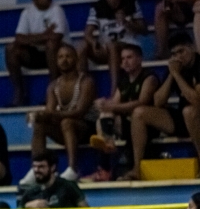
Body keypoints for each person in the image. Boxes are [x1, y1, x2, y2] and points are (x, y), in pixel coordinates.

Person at [123, 34, 200, 180]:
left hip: (196, 115)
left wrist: (177, 76)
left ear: (192, 48)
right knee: (139, 112)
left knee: (189, 111)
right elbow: (158, 101)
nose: (178, 57)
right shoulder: (175, 68)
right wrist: (172, 75)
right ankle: (136, 168)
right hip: (183, 118)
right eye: (174, 54)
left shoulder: (198, 65)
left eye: (181, 52)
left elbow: (197, 101)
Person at [26, 44, 96, 182]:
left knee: (67, 122)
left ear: (76, 59)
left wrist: (50, 114)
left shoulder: (86, 81)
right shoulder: (53, 86)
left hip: (87, 129)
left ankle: (73, 169)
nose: (64, 60)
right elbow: (50, 112)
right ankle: (36, 168)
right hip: (66, 129)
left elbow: (80, 112)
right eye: (60, 57)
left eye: (68, 56)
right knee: (40, 124)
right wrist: (38, 115)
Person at [90, 43, 159, 175]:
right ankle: (107, 147)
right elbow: (114, 103)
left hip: (146, 124)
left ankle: (105, 166)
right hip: (127, 122)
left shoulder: (149, 77)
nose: (125, 62)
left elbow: (142, 102)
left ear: (139, 59)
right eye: (122, 59)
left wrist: (111, 106)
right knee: (102, 116)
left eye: (129, 57)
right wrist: (103, 103)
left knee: (105, 119)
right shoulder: (124, 80)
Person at [6, 0, 72, 106]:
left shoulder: (57, 10)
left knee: (51, 45)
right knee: (11, 49)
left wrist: (31, 38)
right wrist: (45, 35)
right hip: (38, 54)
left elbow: (56, 37)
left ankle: (53, 93)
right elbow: (19, 38)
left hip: (59, 54)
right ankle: (19, 93)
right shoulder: (27, 13)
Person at [82, 0, 148, 93]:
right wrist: (93, 42)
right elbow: (87, 33)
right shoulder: (97, 7)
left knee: (112, 45)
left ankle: (114, 91)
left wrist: (127, 22)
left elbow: (144, 30)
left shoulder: (131, 3)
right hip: (106, 49)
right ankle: (83, 89)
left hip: (128, 45)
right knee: (82, 47)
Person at [17, 150, 89, 209]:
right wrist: (28, 205)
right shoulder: (31, 191)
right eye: (34, 166)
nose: (36, 170)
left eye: (41, 166)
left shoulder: (68, 186)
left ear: (52, 167)